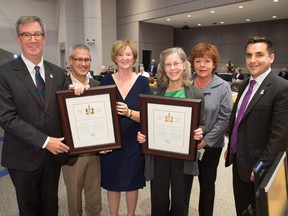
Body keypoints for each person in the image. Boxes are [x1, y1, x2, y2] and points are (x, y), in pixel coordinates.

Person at [0, 15, 70, 215]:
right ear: (18, 39)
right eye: (26, 34)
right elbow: (7, 117)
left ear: (44, 38)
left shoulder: (58, 74)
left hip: (53, 157)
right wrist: (46, 141)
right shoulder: (4, 74)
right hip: (22, 157)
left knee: (51, 207)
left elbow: (64, 112)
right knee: (29, 209)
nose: (33, 39)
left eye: (37, 34)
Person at [137, 47, 205, 216]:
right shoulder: (156, 93)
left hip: (183, 157)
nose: (172, 68)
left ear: (184, 65)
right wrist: (143, 135)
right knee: (158, 200)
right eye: (168, 64)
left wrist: (200, 132)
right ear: (163, 68)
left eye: (176, 63)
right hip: (159, 155)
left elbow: (203, 123)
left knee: (180, 201)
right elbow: (148, 124)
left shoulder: (196, 94)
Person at [225, 36, 288, 215]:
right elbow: (239, 119)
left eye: (259, 55)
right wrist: (231, 148)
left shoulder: (282, 88)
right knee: (242, 209)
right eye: (249, 55)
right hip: (239, 162)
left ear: (271, 57)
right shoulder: (245, 84)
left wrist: (261, 167)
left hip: (259, 169)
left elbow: (279, 137)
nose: (252, 60)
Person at [100, 39, 150, 216]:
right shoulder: (106, 80)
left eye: (128, 54)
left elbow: (148, 115)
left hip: (133, 142)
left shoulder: (143, 82)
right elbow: (99, 115)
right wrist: (100, 142)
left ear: (134, 57)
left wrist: (129, 112)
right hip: (111, 142)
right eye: (120, 54)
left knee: (132, 183)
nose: (124, 58)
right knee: (112, 182)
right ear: (115, 57)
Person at [188, 42, 232, 216]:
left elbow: (224, 120)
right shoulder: (186, 84)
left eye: (207, 61)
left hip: (211, 147)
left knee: (207, 187)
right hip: (187, 146)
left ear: (214, 64)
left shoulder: (223, 87)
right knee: (183, 185)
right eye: (198, 61)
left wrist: (203, 142)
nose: (202, 65)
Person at [61, 44, 101, 216]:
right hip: (72, 153)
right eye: (79, 59)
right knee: (74, 198)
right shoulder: (61, 85)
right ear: (71, 61)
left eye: (87, 60)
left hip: (95, 152)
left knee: (94, 197)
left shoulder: (98, 85)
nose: (83, 63)